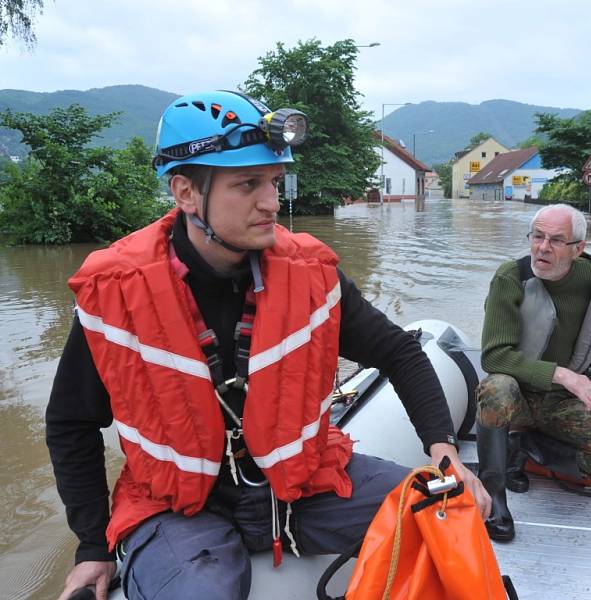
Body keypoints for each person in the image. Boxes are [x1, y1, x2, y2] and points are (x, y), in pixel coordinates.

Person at [46, 90, 489, 600]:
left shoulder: (313, 277)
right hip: (180, 508)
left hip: (302, 487)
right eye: (248, 184)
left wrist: (445, 452)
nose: (271, 202)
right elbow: (70, 424)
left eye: (274, 182)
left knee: (447, 513)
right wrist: (91, 547)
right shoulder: (118, 293)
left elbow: (400, 352)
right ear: (186, 193)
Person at [476, 203, 591, 542]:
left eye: (555, 240)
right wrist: (564, 375)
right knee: (496, 388)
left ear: (578, 249)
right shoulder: (511, 279)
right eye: (537, 237)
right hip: (517, 396)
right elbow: (494, 357)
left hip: (559, 405)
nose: (542, 248)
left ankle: (523, 448)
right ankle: (494, 496)